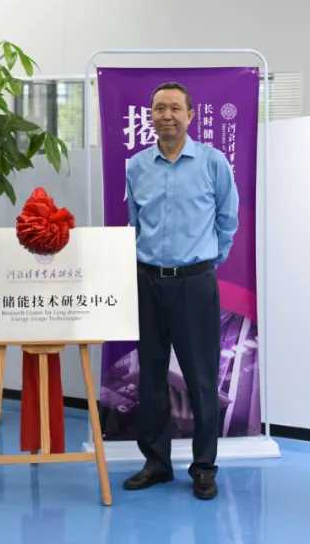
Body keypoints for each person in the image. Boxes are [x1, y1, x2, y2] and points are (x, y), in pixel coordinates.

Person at [122, 81, 239, 501]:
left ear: (190, 115)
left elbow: (228, 220)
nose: (166, 115)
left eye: (175, 108)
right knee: (151, 375)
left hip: (194, 284)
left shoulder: (212, 162)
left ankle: (204, 467)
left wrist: (202, 264)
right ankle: (156, 462)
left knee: (201, 377)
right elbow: (134, 222)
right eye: (159, 108)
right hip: (147, 280)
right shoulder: (137, 166)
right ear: (150, 116)